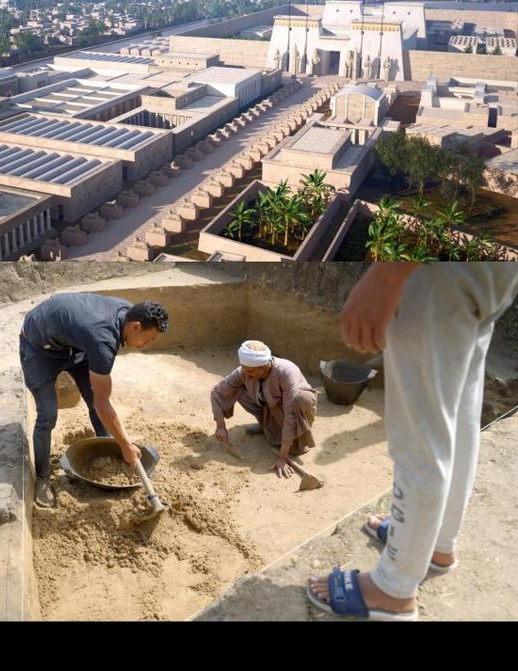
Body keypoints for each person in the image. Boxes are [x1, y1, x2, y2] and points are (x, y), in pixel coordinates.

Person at [307, 263, 518, 621]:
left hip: (431, 275)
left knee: (417, 438)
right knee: (458, 409)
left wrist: (387, 275)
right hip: (488, 265)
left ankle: (393, 589)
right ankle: (437, 545)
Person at [19, 293, 169, 508]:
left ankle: (106, 446)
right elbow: (103, 403)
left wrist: (121, 442)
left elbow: (98, 399)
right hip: (38, 347)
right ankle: (42, 478)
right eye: (149, 338)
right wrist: (126, 444)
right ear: (135, 327)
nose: (149, 344)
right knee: (47, 415)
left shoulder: (127, 315)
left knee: (91, 396)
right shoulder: (102, 340)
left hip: (74, 344)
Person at [211, 340, 318, 478]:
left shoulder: (286, 372)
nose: (245, 373)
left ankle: (294, 436)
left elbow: (290, 415)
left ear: (264, 367)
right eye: (243, 368)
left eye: (250, 371)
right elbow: (217, 392)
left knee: (303, 399)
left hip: (293, 408)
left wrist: (282, 457)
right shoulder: (244, 371)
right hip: (269, 406)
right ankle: (266, 425)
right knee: (237, 389)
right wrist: (220, 425)